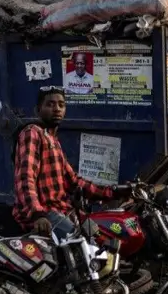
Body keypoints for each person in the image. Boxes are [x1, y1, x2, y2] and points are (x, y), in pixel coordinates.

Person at [13, 86, 122, 241]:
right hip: (44, 214)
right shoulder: (32, 133)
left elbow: (74, 182)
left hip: (63, 211)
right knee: (85, 243)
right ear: (38, 110)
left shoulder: (54, 141)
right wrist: (37, 214)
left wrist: (113, 192)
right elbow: (25, 178)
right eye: (50, 104)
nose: (57, 109)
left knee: (102, 236)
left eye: (61, 105)